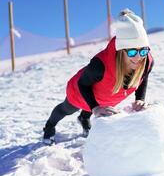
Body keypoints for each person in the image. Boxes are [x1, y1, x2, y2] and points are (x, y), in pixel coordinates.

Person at [43, 9, 154, 145]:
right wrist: (95, 108)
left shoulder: (147, 60)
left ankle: (84, 118)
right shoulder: (100, 65)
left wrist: (140, 99)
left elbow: (143, 77)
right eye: (131, 52)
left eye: (143, 50)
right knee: (66, 109)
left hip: (105, 95)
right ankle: (49, 127)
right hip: (82, 91)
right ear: (120, 50)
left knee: (92, 107)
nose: (138, 57)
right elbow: (83, 84)